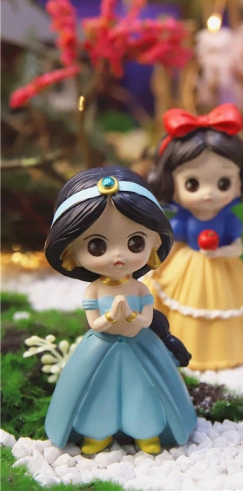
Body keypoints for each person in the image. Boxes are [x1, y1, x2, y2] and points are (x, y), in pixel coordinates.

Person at [44, 166, 197, 454]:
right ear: (70, 252)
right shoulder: (94, 290)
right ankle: (96, 432)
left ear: (154, 242)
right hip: (100, 349)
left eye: (134, 242)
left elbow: (147, 319)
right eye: (97, 245)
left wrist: (131, 317)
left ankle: (148, 431)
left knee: (145, 388)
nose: (118, 256)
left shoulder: (138, 289)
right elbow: (94, 325)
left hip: (140, 344)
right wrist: (110, 318)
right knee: (97, 390)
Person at [146, 103, 243, 370]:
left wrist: (220, 252)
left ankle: (229, 348)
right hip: (187, 268)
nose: (208, 194)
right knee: (181, 305)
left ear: (240, 181)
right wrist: (157, 265)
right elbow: (173, 243)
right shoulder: (182, 220)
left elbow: (237, 247)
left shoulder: (228, 220)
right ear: (171, 182)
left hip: (223, 269)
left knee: (227, 309)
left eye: (223, 183)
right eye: (192, 183)